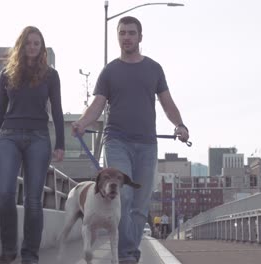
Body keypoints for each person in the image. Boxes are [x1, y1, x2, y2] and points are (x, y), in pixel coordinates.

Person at [71, 16, 189, 264]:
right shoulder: (110, 71)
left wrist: (179, 125)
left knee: (139, 203)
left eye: (131, 33)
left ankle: (129, 253)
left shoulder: (154, 68)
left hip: (147, 144)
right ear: (118, 37)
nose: (126, 37)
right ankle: (125, 255)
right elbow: (97, 105)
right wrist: (82, 123)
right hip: (117, 141)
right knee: (122, 195)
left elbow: (167, 103)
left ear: (140, 37)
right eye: (122, 33)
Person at [0, 26, 65, 264]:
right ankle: (9, 250)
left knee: (33, 201)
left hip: (39, 138)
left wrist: (60, 142)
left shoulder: (51, 75)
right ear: (22, 45)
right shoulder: (7, 74)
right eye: (28, 42)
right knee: (5, 194)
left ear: (41, 47)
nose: (32, 47)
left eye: (37, 43)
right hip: (8, 136)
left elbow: (57, 111)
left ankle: (30, 255)